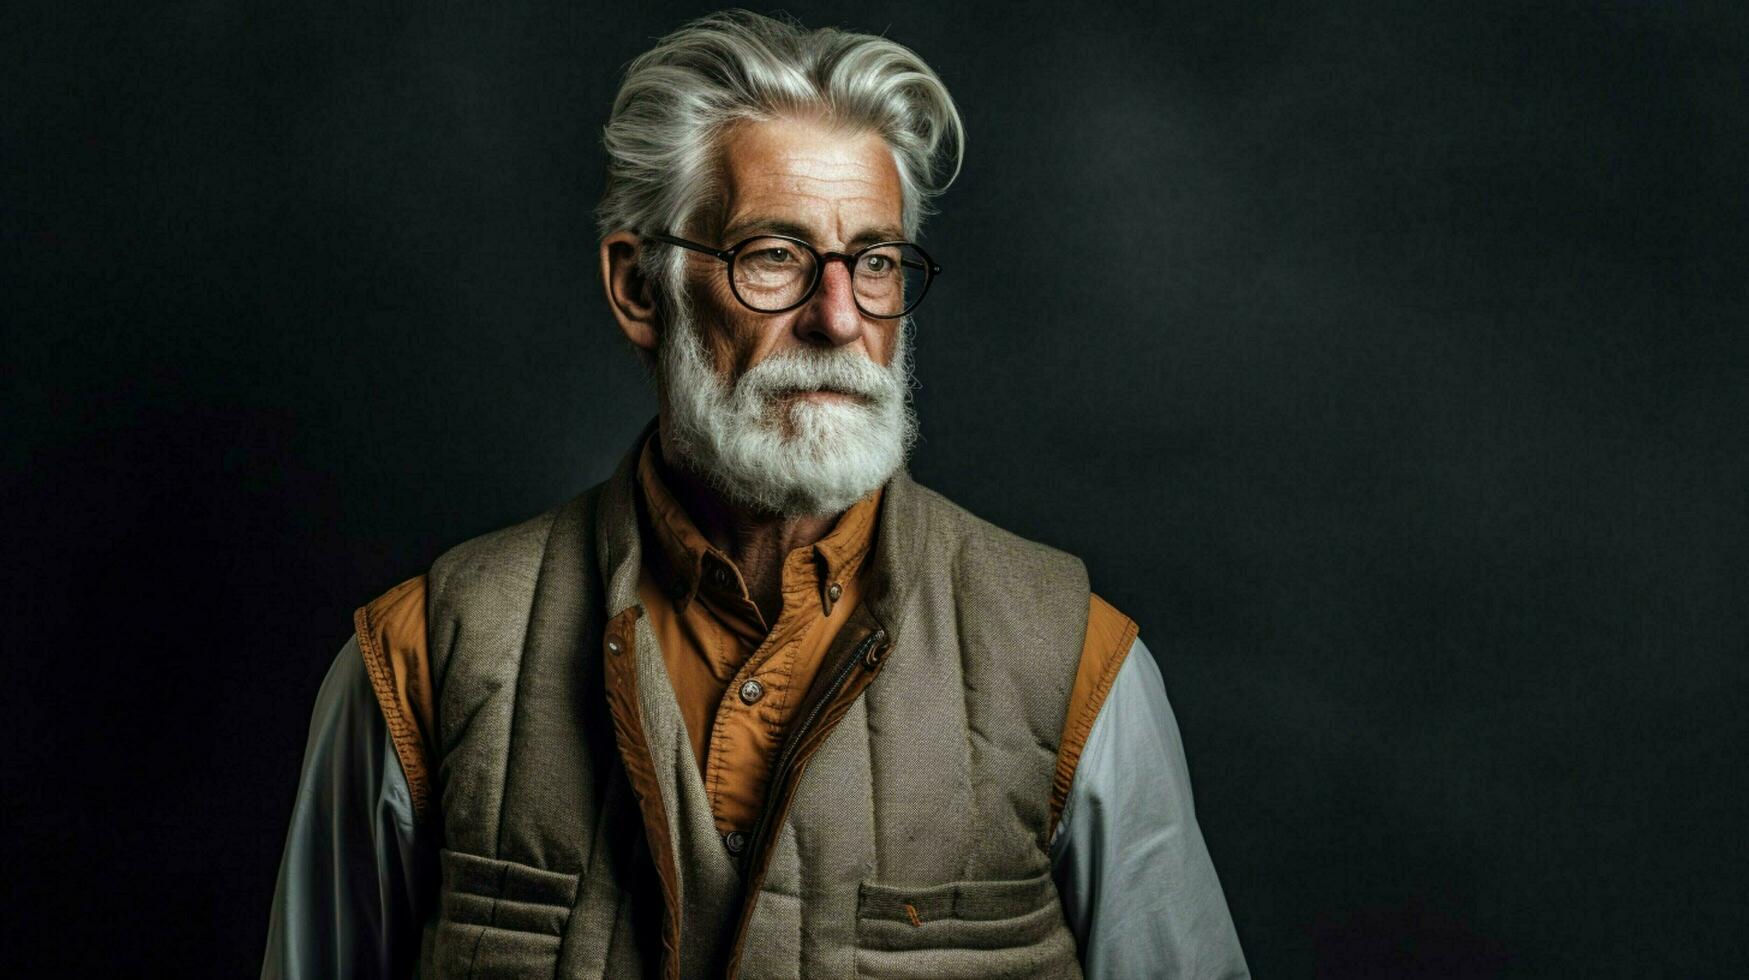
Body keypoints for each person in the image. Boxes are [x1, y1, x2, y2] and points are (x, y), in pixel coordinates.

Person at [263, 10, 1248, 979]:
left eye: (872, 260)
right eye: (773, 255)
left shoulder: (1076, 665)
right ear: (639, 287)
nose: (837, 315)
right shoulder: (419, 660)